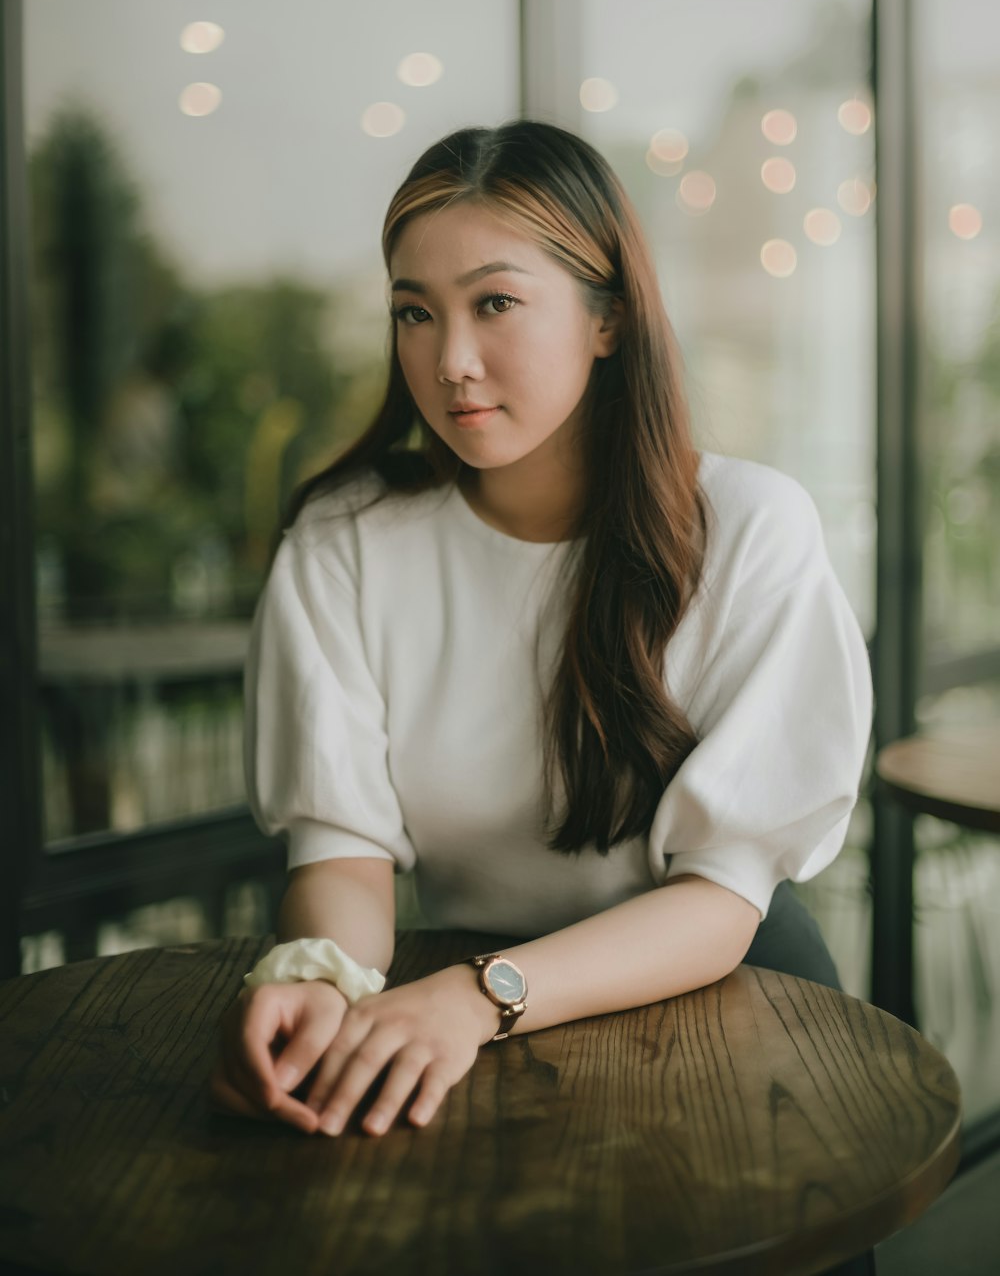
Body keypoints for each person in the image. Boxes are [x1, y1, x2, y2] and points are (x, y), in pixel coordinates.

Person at [210, 119, 875, 1274]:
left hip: (722, 1008)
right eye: (414, 311)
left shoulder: (749, 530)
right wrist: (318, 981)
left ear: (609, 317)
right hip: (475, 1018)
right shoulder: (346, 539)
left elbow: (722, 899)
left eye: (494, 304)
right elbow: (345, 852)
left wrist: (478, 997)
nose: (449, 358)